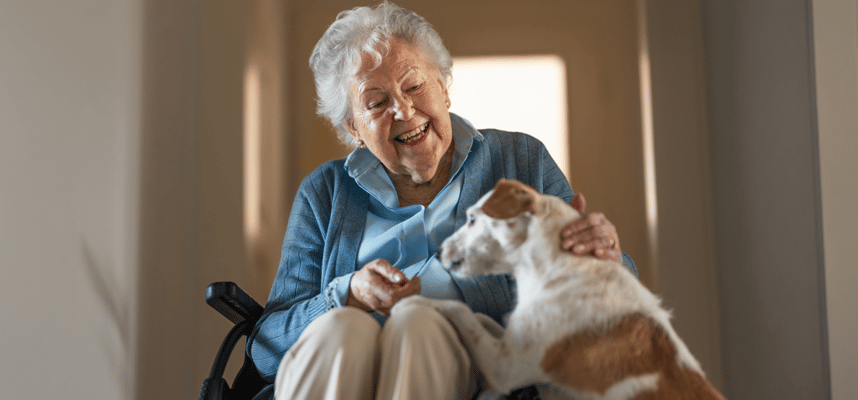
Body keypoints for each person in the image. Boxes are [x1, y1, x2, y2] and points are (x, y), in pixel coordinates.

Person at [247, 2, 637, 399]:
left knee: (418, 322)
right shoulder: (324, 193)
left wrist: (602, 259)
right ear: (353, 128)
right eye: (376, 103)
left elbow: (608, 302)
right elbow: (265, 352)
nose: (403, 110)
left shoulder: (520, 160)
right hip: (342, 369)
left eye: (414, 86)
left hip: (468, 368)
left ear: (444, 86)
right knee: (340, 326)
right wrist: (347, 295)